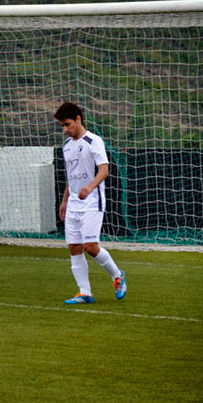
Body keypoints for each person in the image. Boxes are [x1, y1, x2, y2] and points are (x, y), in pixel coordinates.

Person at [55, 102, 127, 304]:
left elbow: (104, 170)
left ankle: (117, 275)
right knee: (74, 247)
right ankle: (85, 292)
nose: (65, 129)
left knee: (90, 246)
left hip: (92, 201)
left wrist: (90, 186)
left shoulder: (93, 141)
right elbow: (71, 175)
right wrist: (64, 200)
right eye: (62, 126)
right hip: (74, 204)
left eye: (68, 124)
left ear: (78, 119)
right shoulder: (67, 146)